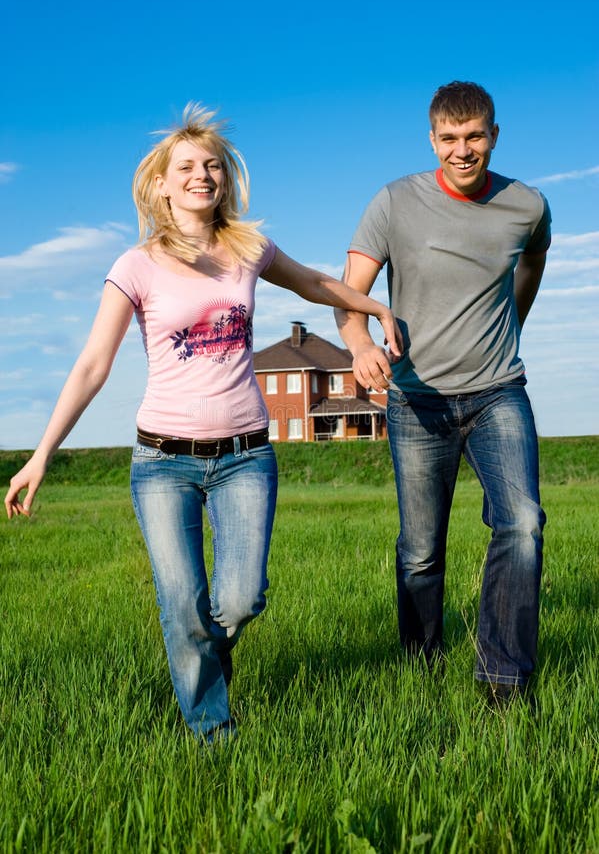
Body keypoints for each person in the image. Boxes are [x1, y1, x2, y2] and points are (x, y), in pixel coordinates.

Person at [4, 103, 401, 742]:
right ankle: (211, 733)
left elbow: (315, 284)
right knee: (183, 605)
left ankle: (208, 662)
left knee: (241, 599)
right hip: (163, 461)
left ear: (226, 179)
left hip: (245, 453)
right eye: (186, 165)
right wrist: (41, 455)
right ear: (161, 183)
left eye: (212, 164)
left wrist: (373, 306)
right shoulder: (135, 265)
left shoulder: (248, 249)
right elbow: (91, 366)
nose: (202, 174)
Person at [335, 81, 550, 704]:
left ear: (494, 135)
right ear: (433, 140)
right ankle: (420, 666)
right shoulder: (394, 203)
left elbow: (529, 266)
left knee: (523, 525)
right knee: (421, 551)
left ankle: (505, 679)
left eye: (475, 136)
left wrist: (512, 322)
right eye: (450, 139)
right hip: (416, 402)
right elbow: (349, 298)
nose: (463, 150)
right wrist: (360, 346)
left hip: (498, 390)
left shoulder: (527, 206)